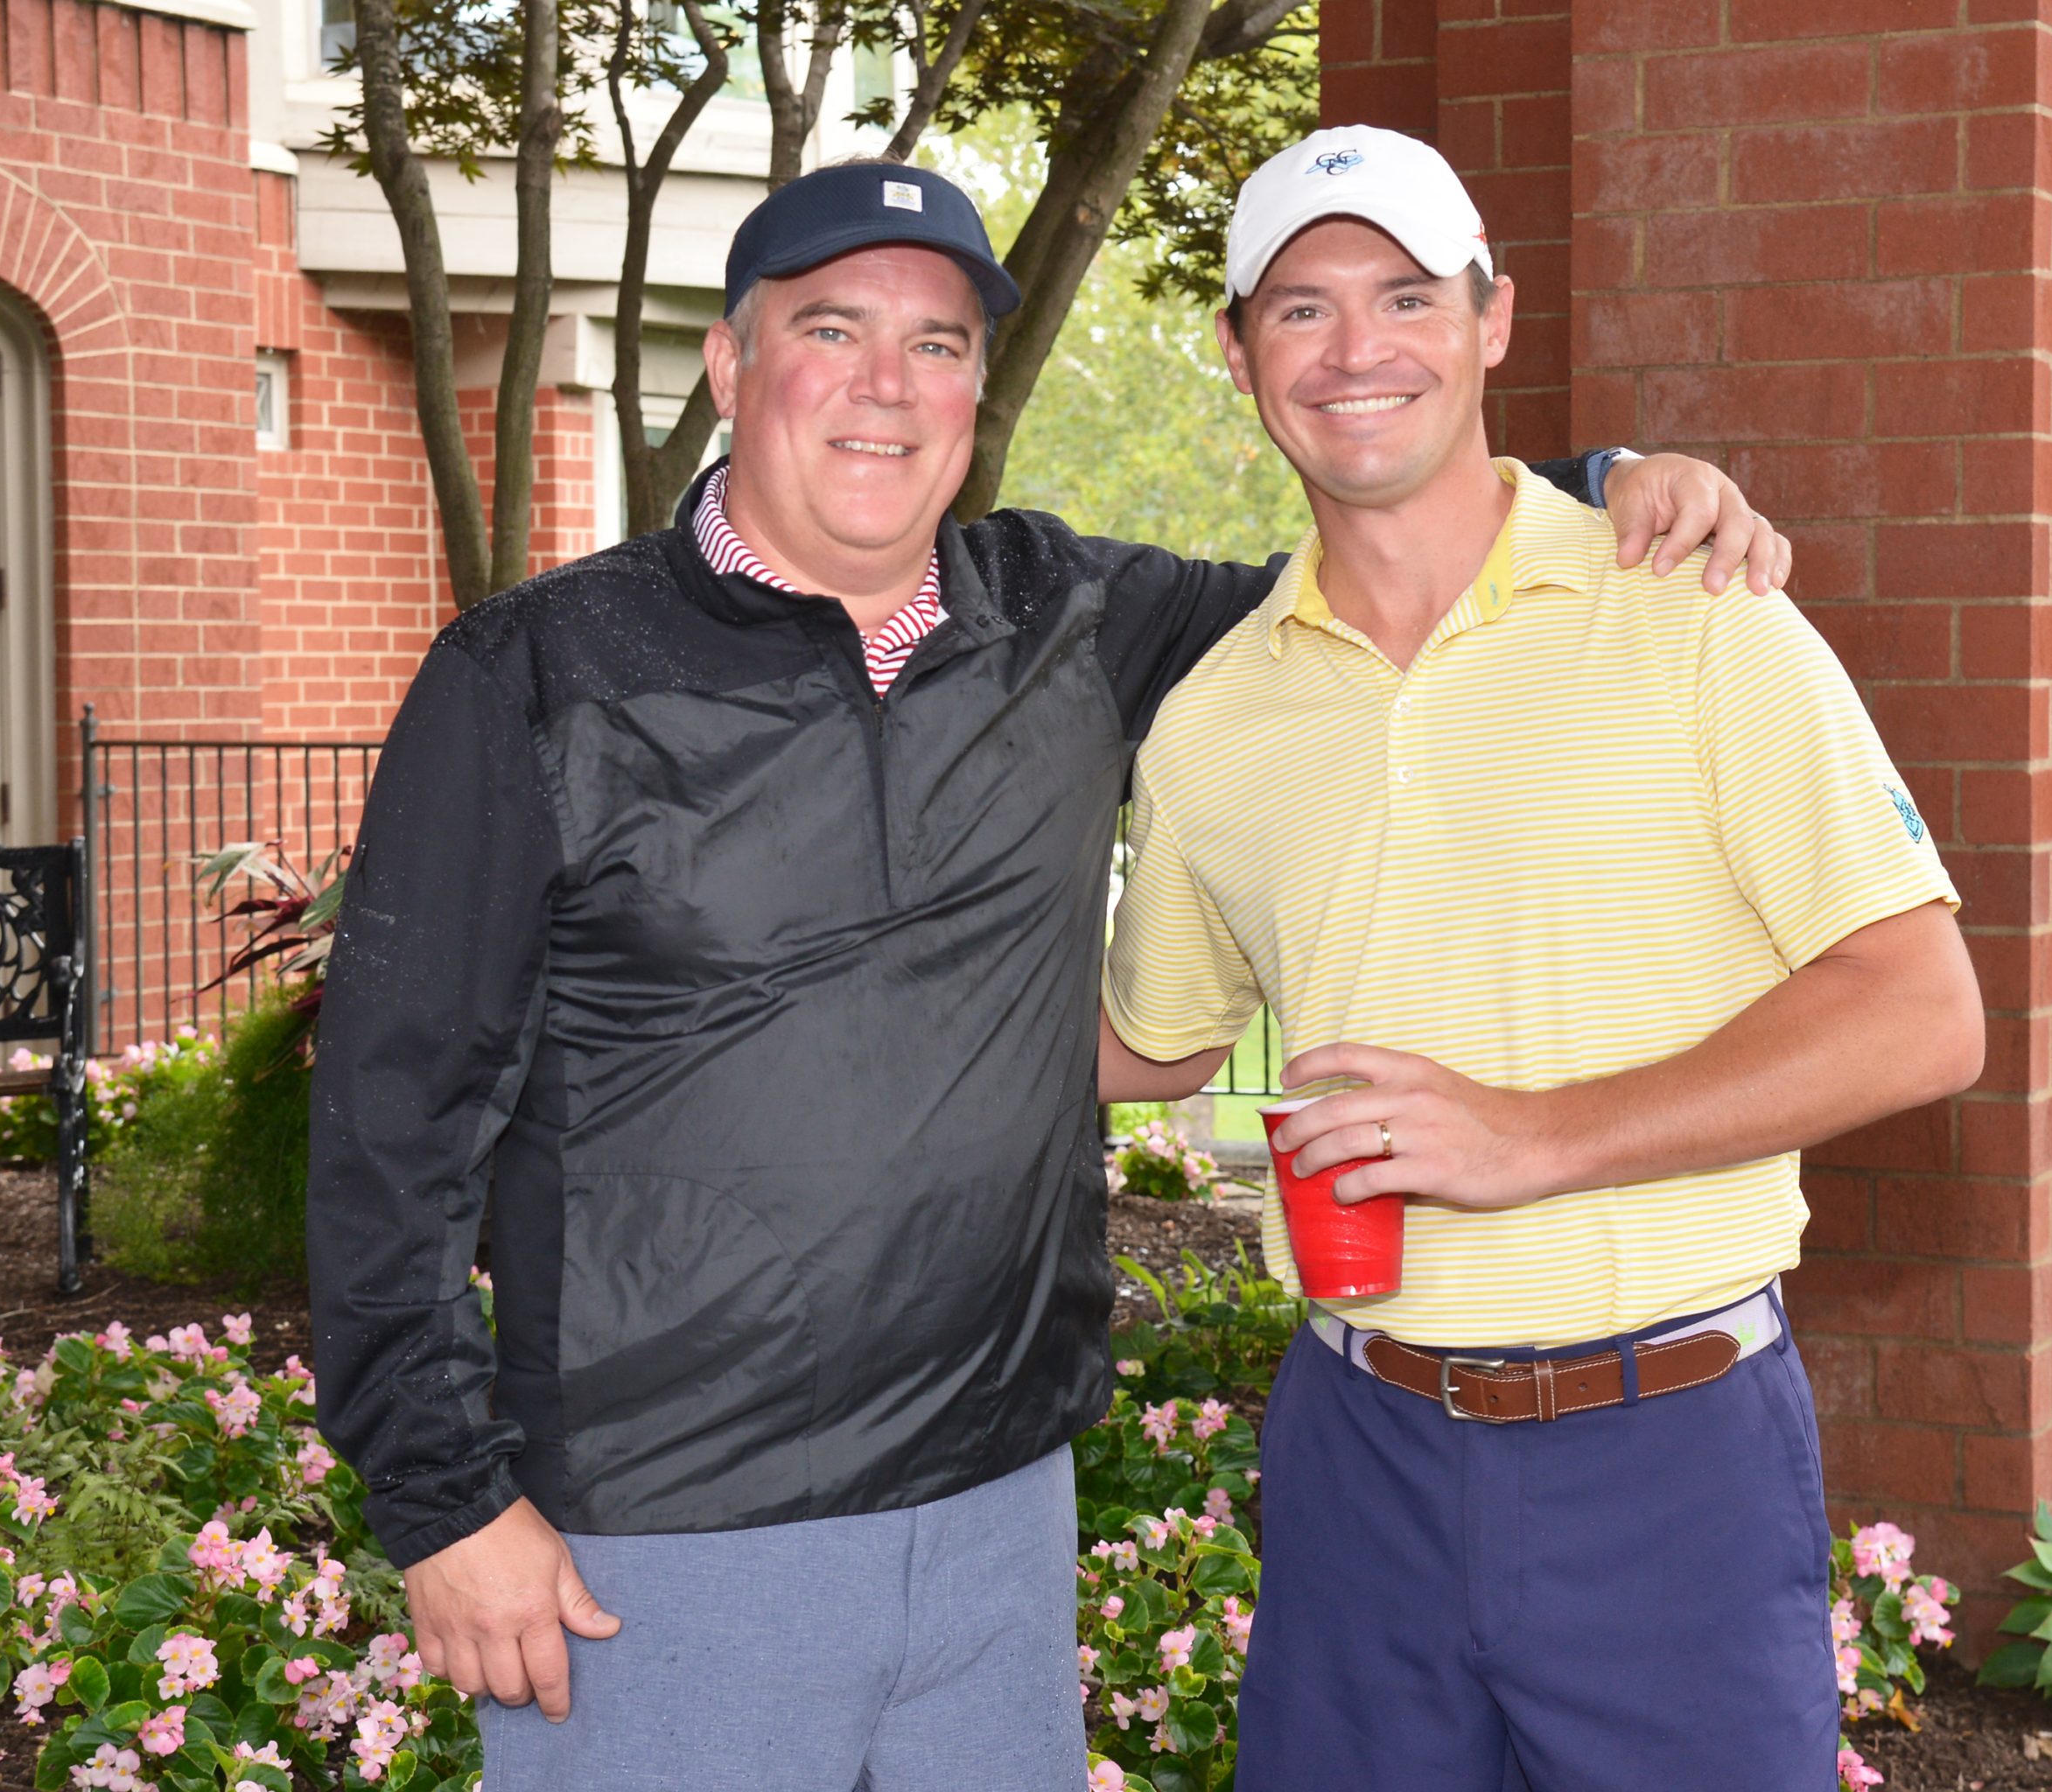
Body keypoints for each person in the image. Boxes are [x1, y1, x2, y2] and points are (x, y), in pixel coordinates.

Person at [305, 156, 1786, 1792]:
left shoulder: (1066, 618)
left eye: (937, 343)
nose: (887, 383)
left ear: (975, 391)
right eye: (832, 330)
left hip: (997, 1522)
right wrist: (444, 1502)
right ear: (730, 363)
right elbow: (389, 1124)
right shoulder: (536, 673)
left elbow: (1380, 563)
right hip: (660, 1542)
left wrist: (1610, 481)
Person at [1097, 125, 1985, 1792]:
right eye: (1300, 308)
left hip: (1668, 1458)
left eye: (1406, 296)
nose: (1355, 350)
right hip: (1358, 1456)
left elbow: (1923, 1014)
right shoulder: (1211, 720)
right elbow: (1154, 1042)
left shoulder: (1697, 610)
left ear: (1492, 320)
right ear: (1237, 351)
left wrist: (1535, 1136)